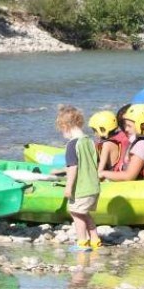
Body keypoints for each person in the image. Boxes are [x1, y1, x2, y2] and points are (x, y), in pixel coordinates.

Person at [58, 105, 102, 252]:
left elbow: (73, 167)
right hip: (93, 187)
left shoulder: (72, 144)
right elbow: (90, 162)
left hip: (81, 189)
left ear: (65, 126)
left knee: (76, 213)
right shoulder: (89, 141)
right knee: (84, 213)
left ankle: (82, 242)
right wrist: (60, 170)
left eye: (61, 130)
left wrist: (68, 187)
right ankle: (95, 240)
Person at [99, 104, 144, 181]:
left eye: (129, 126)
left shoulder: (142, 145)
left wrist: (103, 173)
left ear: (143, 126)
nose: (126, 129)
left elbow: (129, 177)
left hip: (142, 184)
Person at [88, 108, 131, 172]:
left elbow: (100, 170)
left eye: (95, 130)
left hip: (113, 175)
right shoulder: (121, 137)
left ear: (102, 130)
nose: (95, 134)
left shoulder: (106, 145)